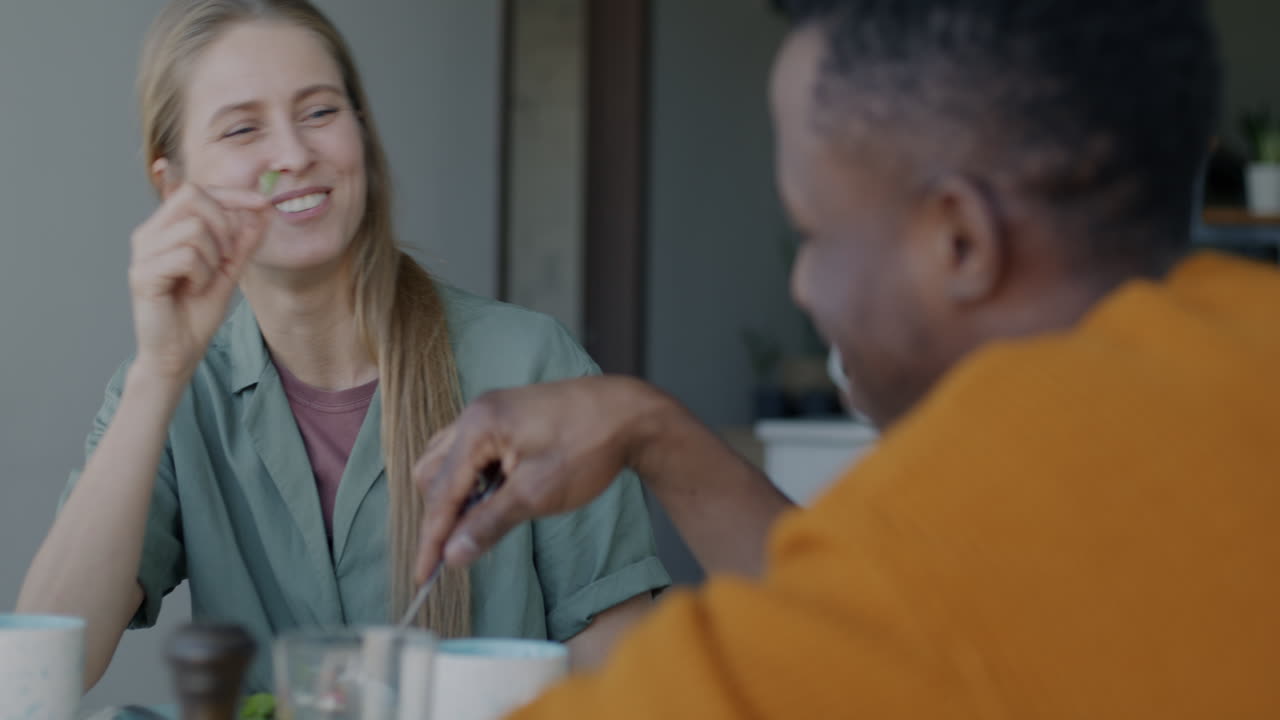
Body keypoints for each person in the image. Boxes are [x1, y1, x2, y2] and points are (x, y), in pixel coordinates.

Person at [413, 0, 1280, 717]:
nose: (802, 285)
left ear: (959, 240)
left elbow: (883, 617)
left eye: (815, 234)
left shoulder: (946, 556)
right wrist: (651, 430)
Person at [16, 0, 668, 693]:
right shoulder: (172, 396)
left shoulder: (533, 366)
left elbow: (624, 681)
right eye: (243, 129)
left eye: (321, 112)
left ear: (362, 132)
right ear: (174, 188)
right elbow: (46, 672)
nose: (294, 155)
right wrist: (159, 371)